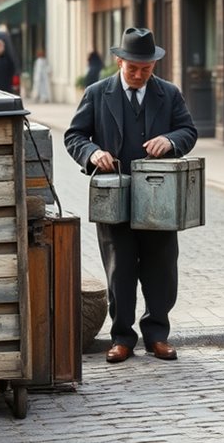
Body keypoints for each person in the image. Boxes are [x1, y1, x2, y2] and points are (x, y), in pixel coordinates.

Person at [64, 27, 197, 364]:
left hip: (160, 199)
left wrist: (171, 140)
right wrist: (92, 153)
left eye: (146, 69)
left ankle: (157, 336)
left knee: (161, 268)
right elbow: (74, 136)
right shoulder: (97, 93)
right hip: (114, 199)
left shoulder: (169, 93)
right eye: (133, 68)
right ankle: (122, 338)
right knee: (119, 270)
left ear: (154, 65)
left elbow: (188, 131)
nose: (139, 75)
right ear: (119, 62)